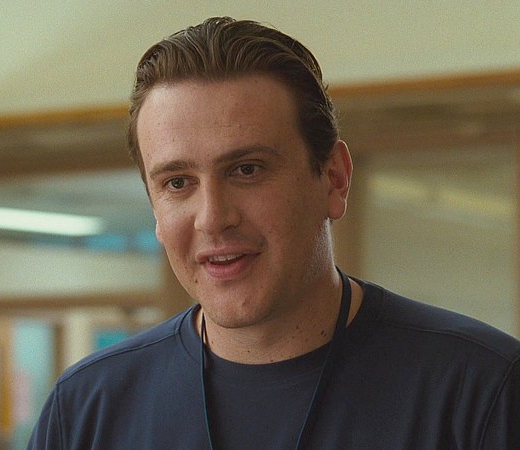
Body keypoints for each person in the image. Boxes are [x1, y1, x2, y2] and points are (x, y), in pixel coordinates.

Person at [26, 17, 520, 449]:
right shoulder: (88, 409)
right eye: (177, 182)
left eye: (247, 170)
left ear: (334, 179)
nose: (212, 218)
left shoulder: (481, 389)